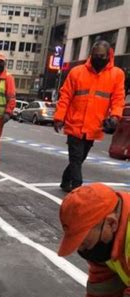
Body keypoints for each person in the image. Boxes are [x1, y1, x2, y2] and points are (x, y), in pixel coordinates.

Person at [53, 41, 125, 193]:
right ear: (90, 55)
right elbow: (65, 96)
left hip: (94, 126)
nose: (98, 58)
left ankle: (65, 180)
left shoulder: (116, 75)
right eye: (96, 55)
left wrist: (115, 117)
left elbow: (118, 99)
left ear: (109, 56)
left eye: (102, 56)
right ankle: (77, 188)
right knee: (76, 158)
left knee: (79, 159)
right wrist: (59, 117)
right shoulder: (77, 72)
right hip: (75, 124)